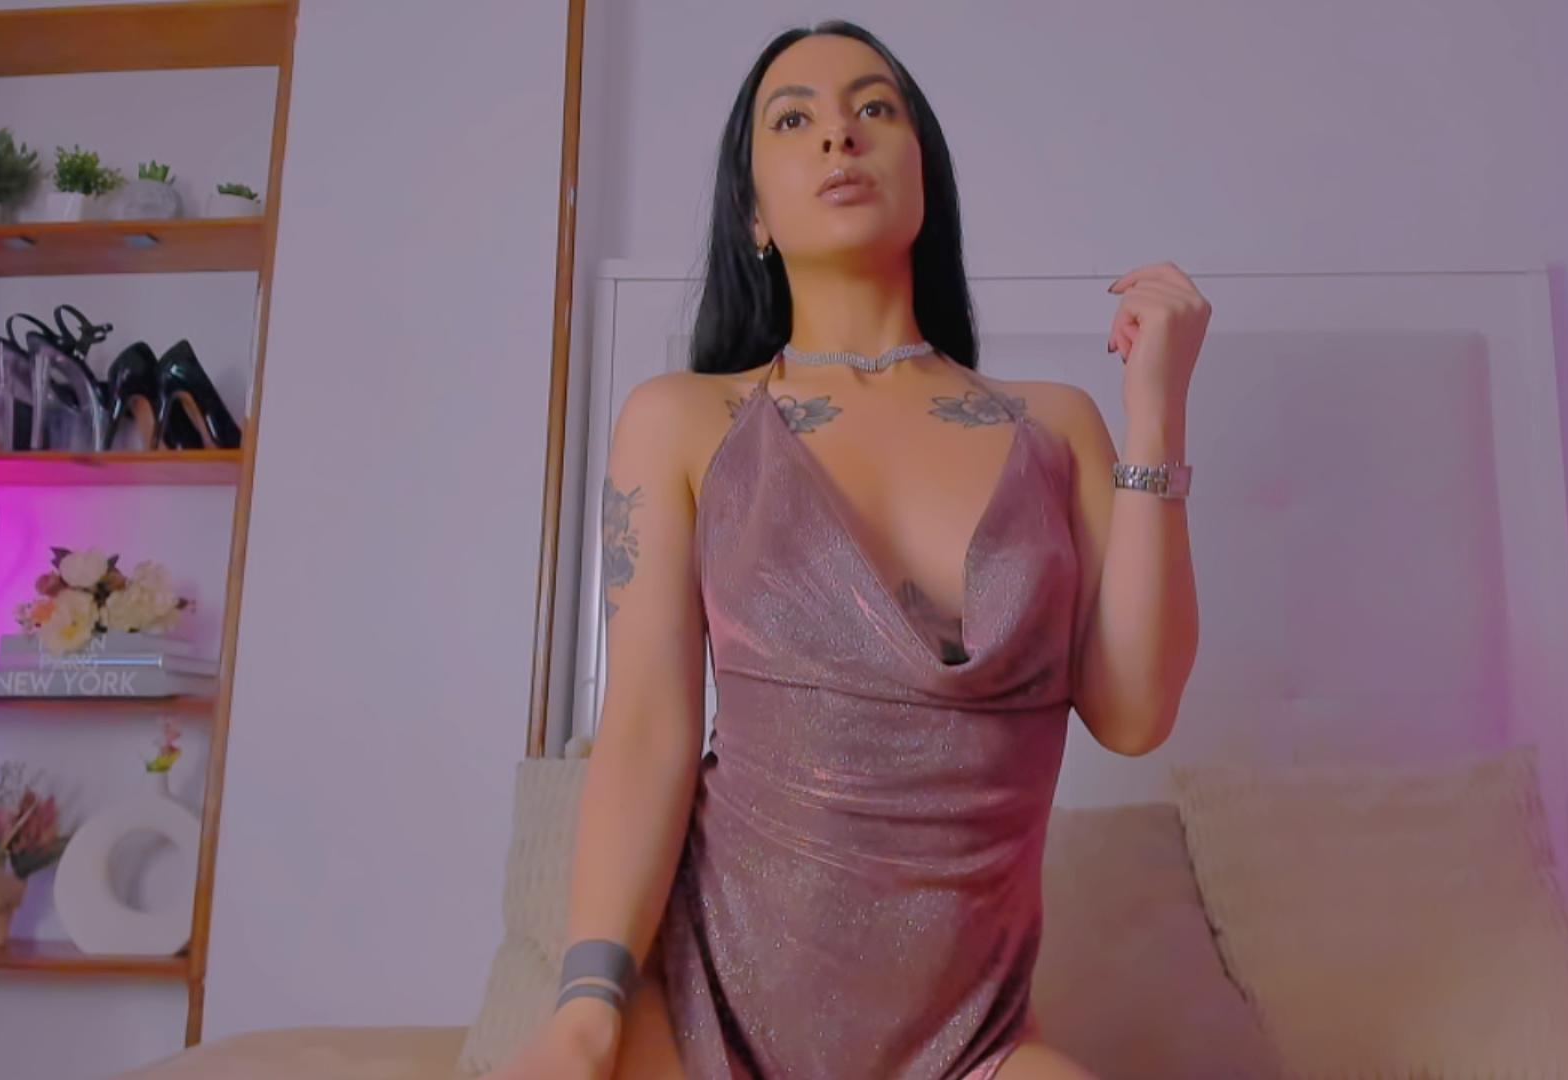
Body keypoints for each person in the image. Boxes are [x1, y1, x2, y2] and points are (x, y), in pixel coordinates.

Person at [496, 18, 1206, 1080]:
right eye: (794, 121)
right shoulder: (684, 421)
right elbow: (644, 730)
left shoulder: (1055, 427)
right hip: (702, 1008)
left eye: (875, 108)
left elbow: (1136, 712)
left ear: (924, 174)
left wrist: (1156, 412)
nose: (840, 134)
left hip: (966, 1044)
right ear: (753, 212)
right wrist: (587, 1005)